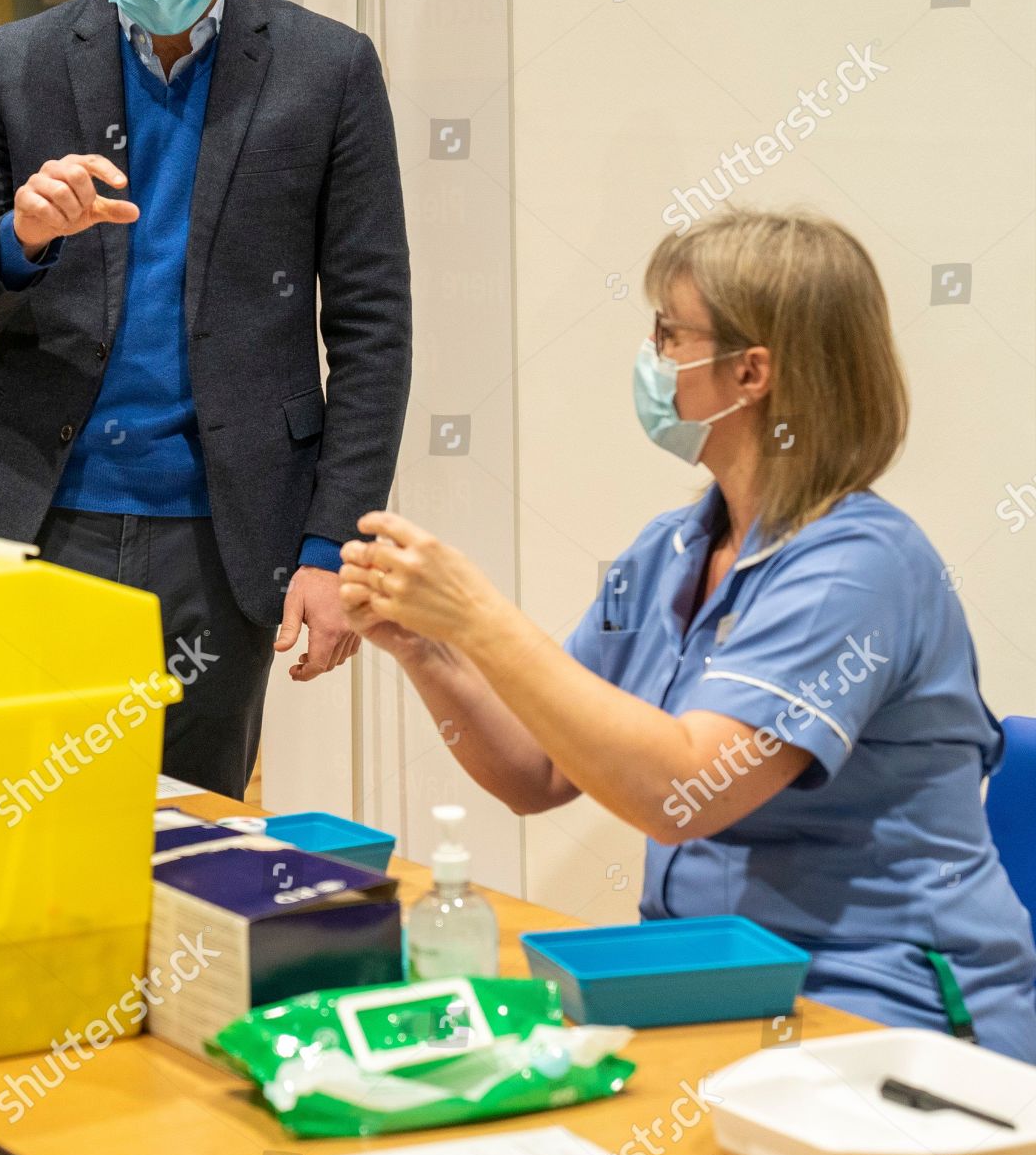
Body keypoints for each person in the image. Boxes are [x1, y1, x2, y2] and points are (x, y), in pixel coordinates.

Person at [339, 208, 1036, 1062]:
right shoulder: (672, 549)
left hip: (877, 1006)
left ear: (751, 373)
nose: (652, 358)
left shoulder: (862, 569)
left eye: (669, 334)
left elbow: (682, 795)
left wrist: (480, 617)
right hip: (710, 986)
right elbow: (540, 770)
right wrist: (432, 648)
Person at [0, 0, 412, 800]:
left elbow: (372, 330)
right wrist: (18, 240)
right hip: (40, 530)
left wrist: (331, 547)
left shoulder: (327, 70)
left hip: (227, 542)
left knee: (194, 838)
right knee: (25, 825)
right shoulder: (13, 69)